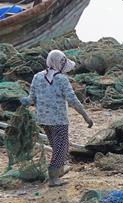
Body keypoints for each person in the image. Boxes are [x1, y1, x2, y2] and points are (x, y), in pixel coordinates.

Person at [25, 50, 93, 187]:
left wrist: (21, 102)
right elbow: (73, 100)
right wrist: (86, 116)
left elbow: (31, 99)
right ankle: (53, 178)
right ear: (60, 64)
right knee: (61, 147)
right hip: (59, 121)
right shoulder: (61, 79)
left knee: (55, 146)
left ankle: (58, 171)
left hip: (43, 120)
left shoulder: (37, 77)